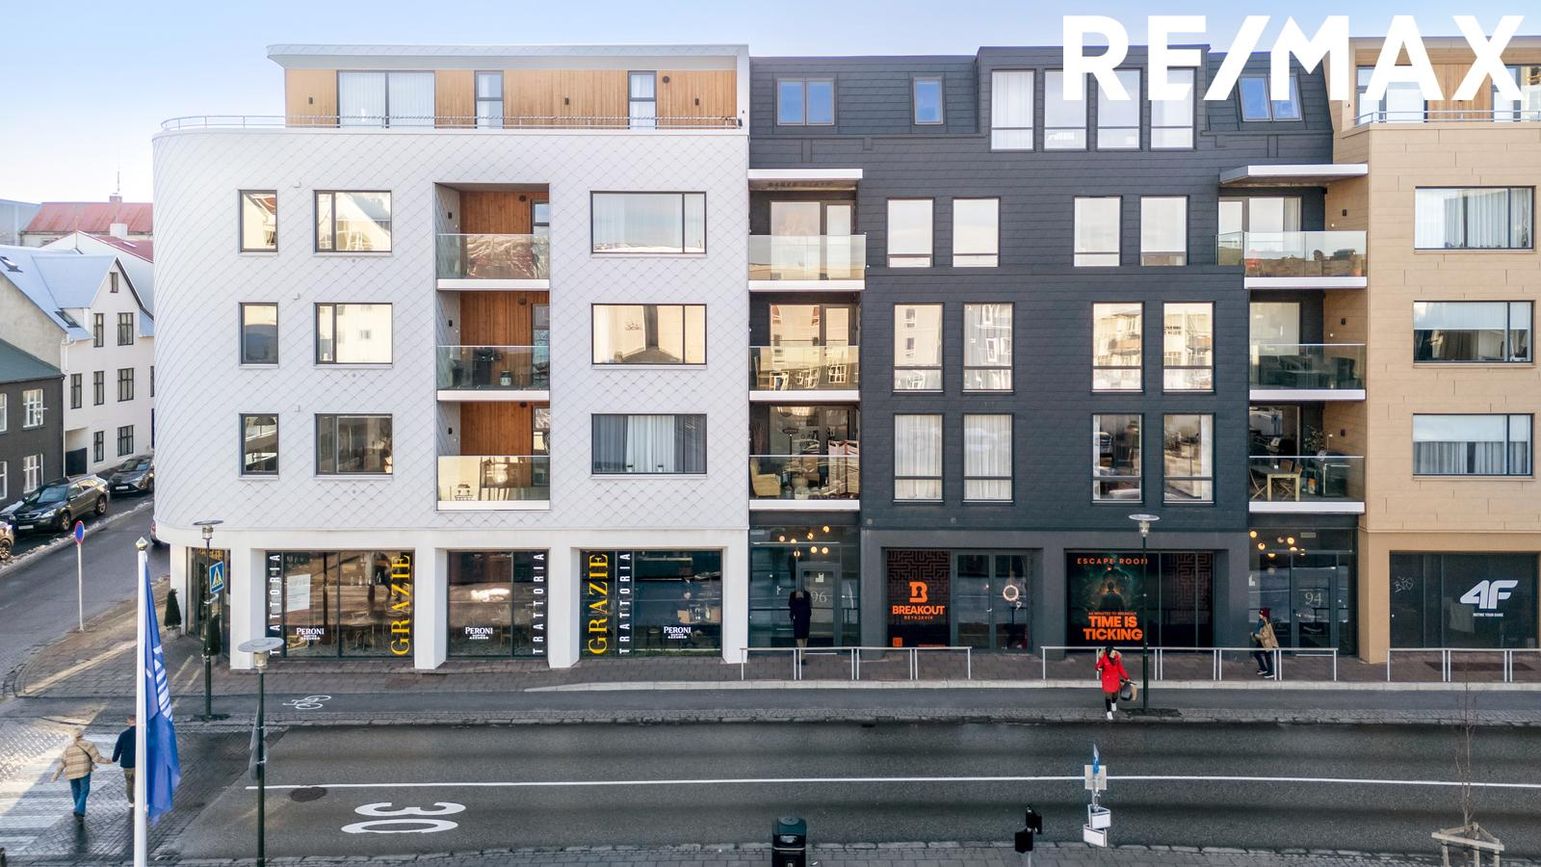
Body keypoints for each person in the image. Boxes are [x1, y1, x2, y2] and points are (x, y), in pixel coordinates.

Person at [51, 729, 109, 819]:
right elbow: (97, 758)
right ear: (82, 735)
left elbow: (62, 763)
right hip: (83, 771)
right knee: (84, 791)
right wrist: (108, 761)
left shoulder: (69, 748)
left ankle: (78, 810)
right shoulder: (88, 744)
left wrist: (55, 776)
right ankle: (79, 810)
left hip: (71, 773)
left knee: (76, 791)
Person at [1094, 645, 1130, 721]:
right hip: (1107, 680)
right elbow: (1097, 666)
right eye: (1112, 652)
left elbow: (1120, 669)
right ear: (1108, 653)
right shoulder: (1103, 659)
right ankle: (1109, 712)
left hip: (1115, 679)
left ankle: (1113, 702)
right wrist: (1098, 668)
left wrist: (1126, 677)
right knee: (1108, 696)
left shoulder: (1116, 658)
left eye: (1114, 651)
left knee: (1115, 695)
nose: (1114, 653)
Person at [112, 716, 137, 804]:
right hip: (141, 763)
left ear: (129, 722)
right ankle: (142, 800)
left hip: (128, 763)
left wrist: (114, 759)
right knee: (141, 782)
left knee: (129, 783)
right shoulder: (144, 733)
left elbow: (118, 748)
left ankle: (131, 801)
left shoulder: (124, 734)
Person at [788, 585, 813, 663]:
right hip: (805, 622)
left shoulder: (794, 603)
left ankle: (802, 657)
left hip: (798, 622)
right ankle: (803, 656)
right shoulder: (806, 602)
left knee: (799, 638)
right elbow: (810, 612)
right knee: (804, 638)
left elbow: (791, 608)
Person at [1252, 608, 1279, 678]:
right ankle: (1263, 668)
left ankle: (1270, 672)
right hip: (1261, 642)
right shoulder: (1261, 622)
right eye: (1259, 613)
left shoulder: (1266, 623)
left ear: (1265, 615)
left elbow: (1266, 635)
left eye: (1261, 614)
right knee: (1256, 654)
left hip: (1267, 642)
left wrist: (1255, 635)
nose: (1259, 615)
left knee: (1267, 656)